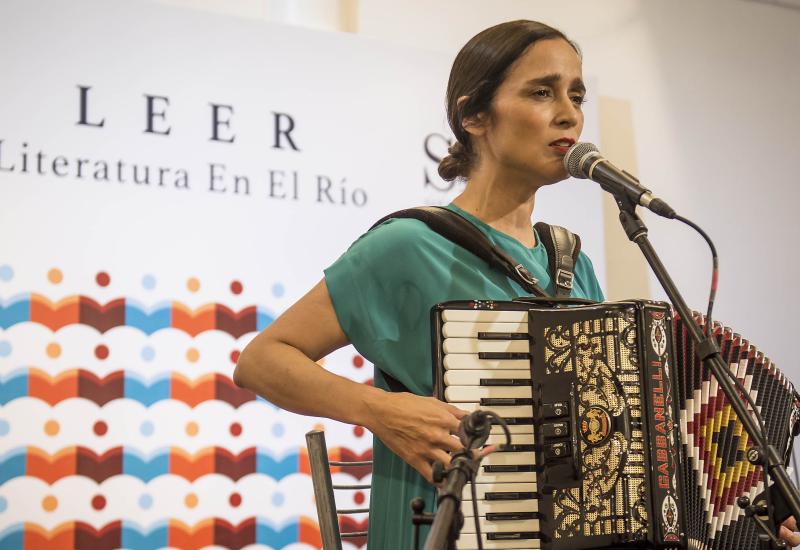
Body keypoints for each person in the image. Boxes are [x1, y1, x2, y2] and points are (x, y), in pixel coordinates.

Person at [233, 19, 800, 549]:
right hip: (439, 528)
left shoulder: (570, 261)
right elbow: (262, 359)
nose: (569, 115)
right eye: (542, 92)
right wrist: (378, 410)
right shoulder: (408, 245)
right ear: (474, 115)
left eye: (577, 96)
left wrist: (749, 511)